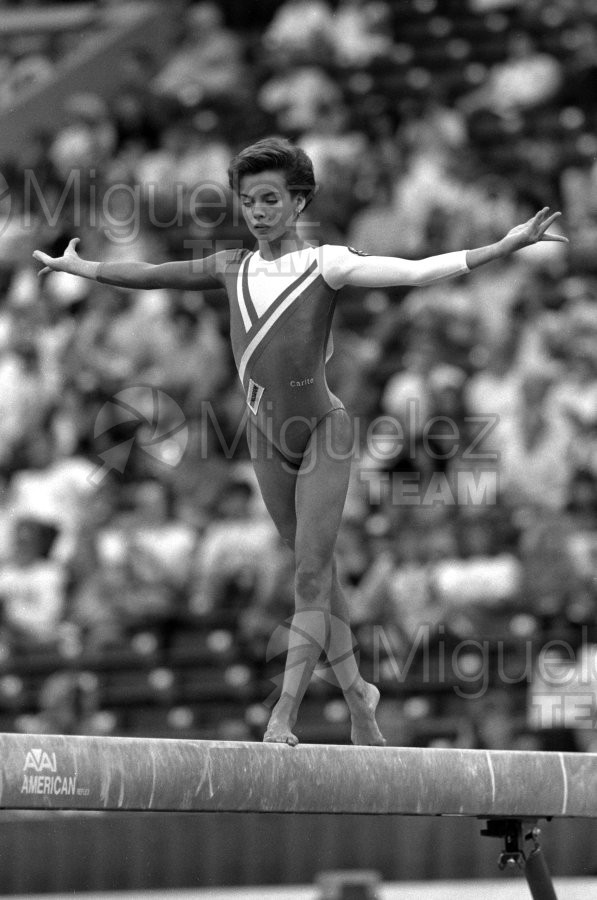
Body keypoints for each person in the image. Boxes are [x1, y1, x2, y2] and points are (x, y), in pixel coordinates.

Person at [33, 136, 567, 747]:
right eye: (247, 201)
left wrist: (503, 246)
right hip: (266, 441)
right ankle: (359, 695)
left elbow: (416, 272)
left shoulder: (326, 263)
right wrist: (82, 268)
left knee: (310, 577)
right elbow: (153, 275)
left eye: (269, 199)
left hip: (323, 434)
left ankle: (283, 712)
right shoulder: (229, 266)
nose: (257, 212)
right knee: (317, 576)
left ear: (298, 202)